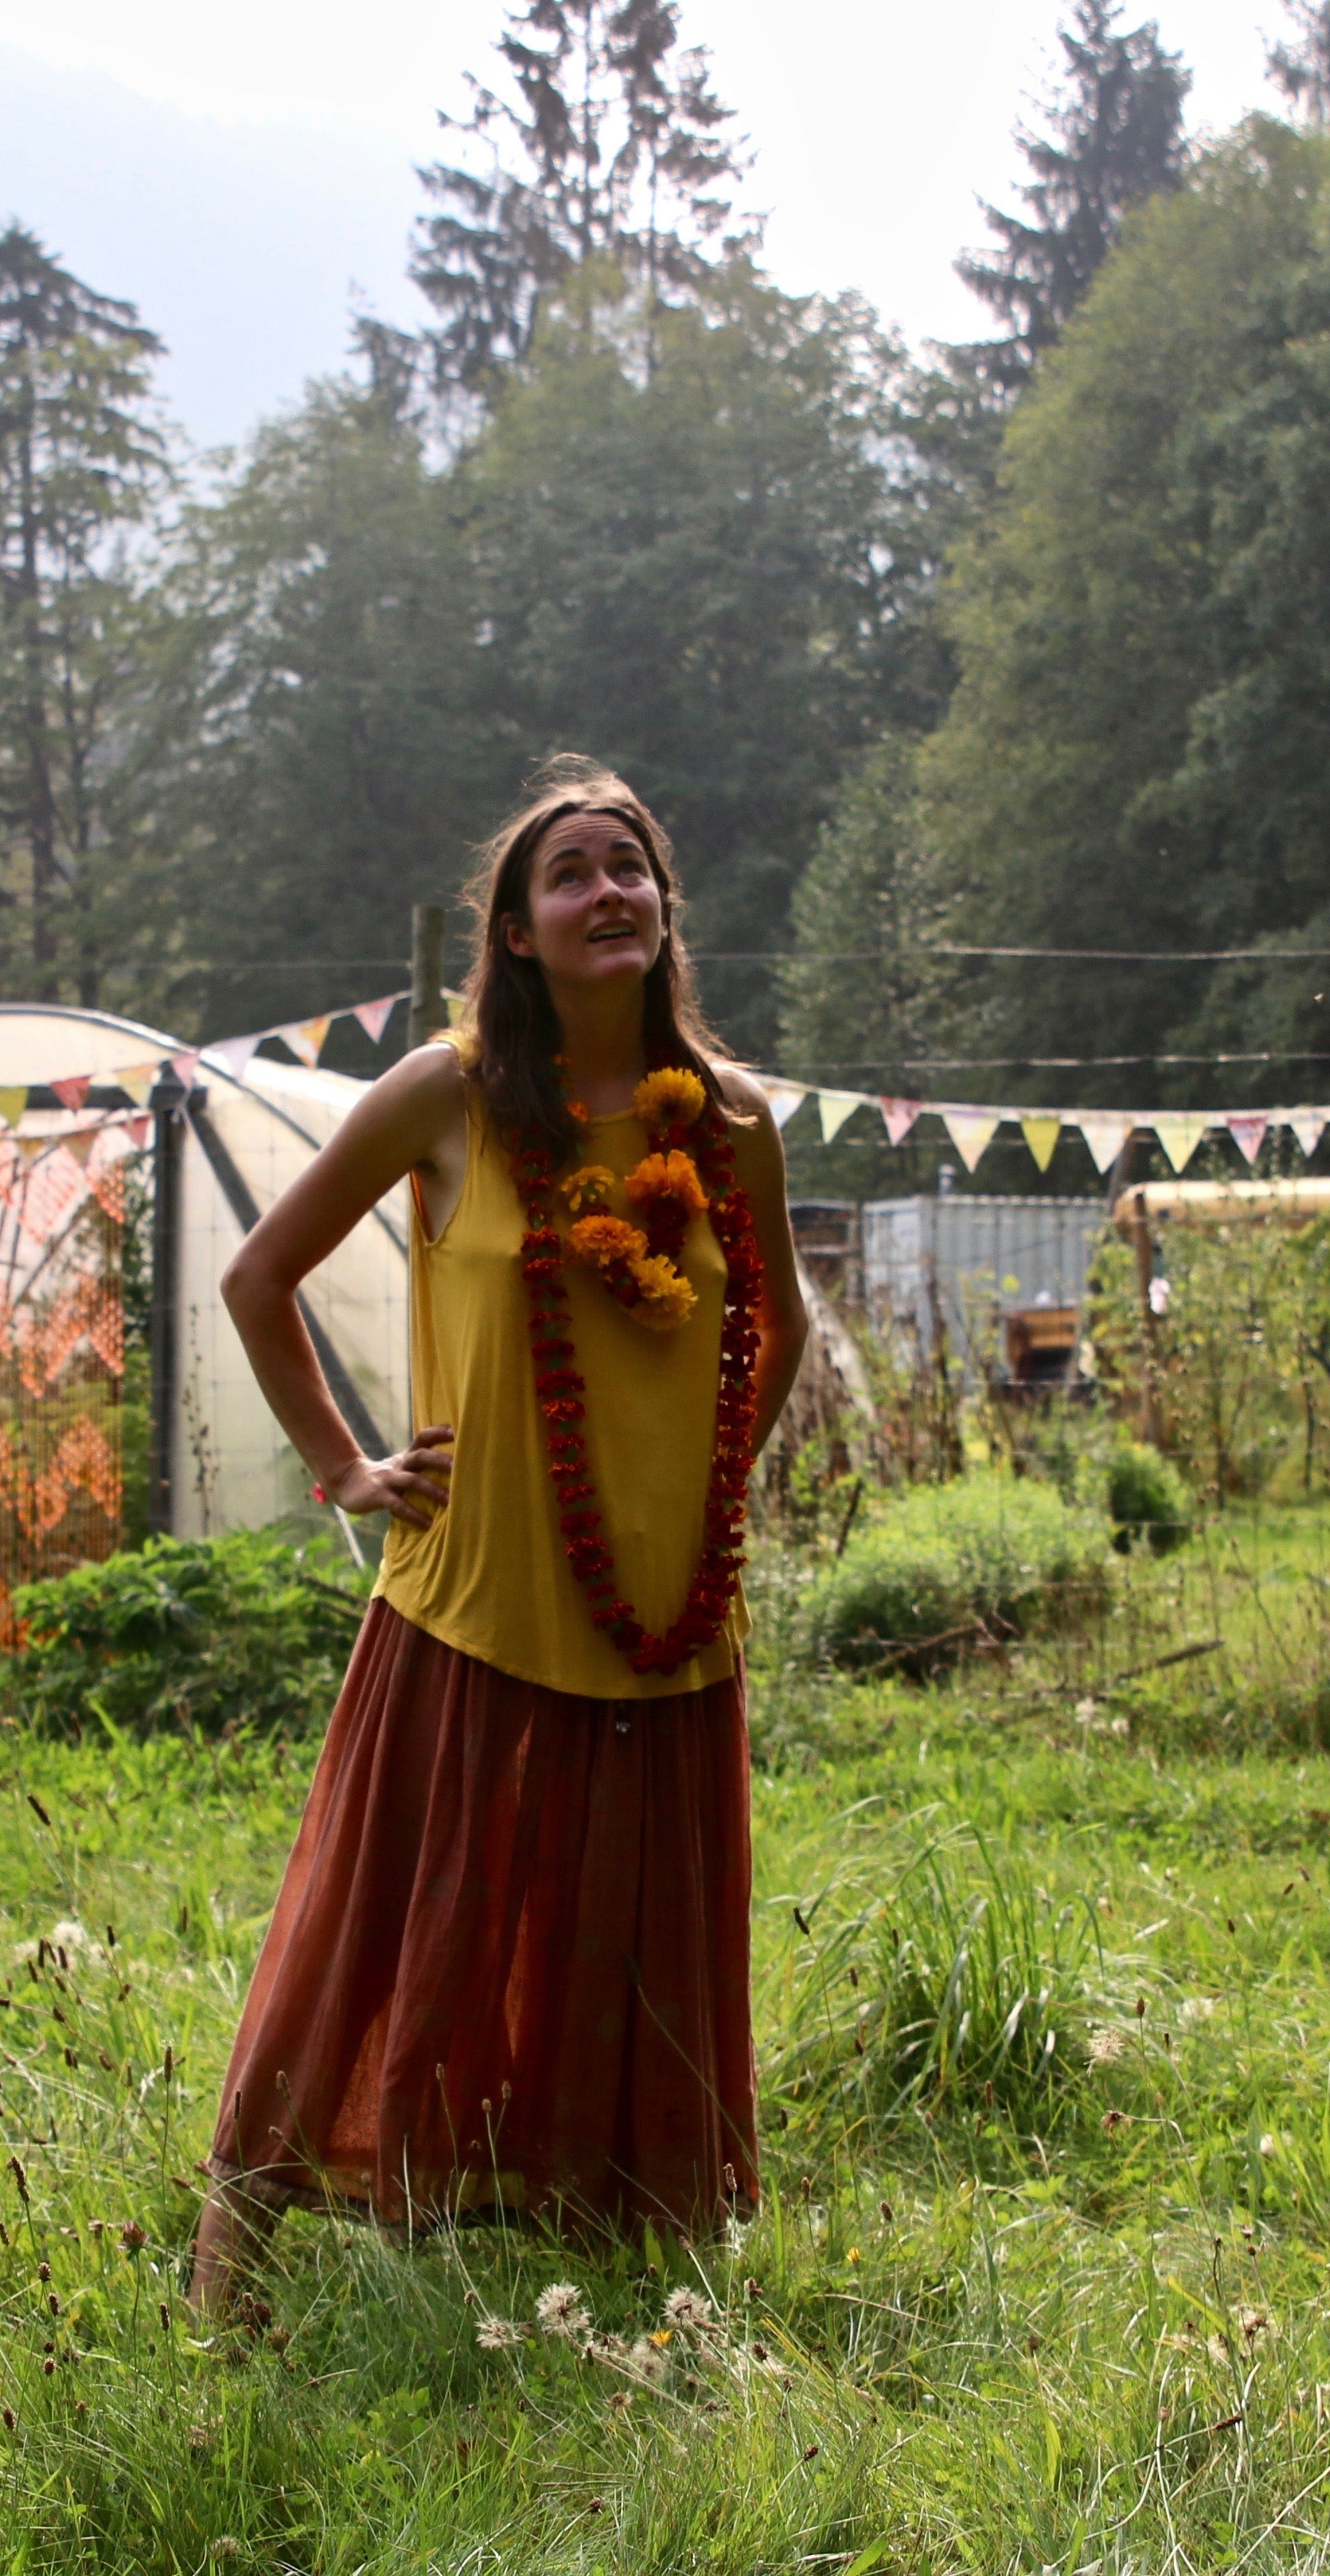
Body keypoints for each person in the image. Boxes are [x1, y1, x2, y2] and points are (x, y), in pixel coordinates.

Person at [191, 759, 808, 2319]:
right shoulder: (448, 1096)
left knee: (627, 1932)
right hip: (470, 1594)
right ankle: (233, 2251)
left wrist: (708, 1482)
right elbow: (260, 1282)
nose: (611, 891)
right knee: (382, 1916)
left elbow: (779, 1330)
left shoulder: (730, 1124)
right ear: (519, 933)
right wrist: (347, 1466)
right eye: (573, 873)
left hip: (667, 1611)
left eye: (633, 868)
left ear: (666, 911)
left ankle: (610, 2246)